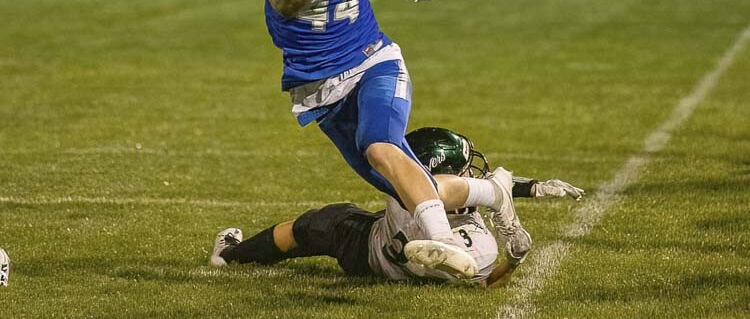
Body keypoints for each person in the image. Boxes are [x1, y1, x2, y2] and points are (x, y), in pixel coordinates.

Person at [235, 0, 495, 278]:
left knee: (380, 141)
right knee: (392, 185)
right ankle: (497, 192)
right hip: (317, 81)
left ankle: (444, 242)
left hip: (373, 56)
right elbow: (285, 2)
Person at [209, 127, 584, 287]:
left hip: (369, 245)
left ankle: (230, 255)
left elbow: (442, 188)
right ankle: (232, 255)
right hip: (413, 255)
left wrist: (506, 190)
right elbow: (484, 280)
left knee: (309, 227)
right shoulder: (480, 241)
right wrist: (513, 260)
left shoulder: (405, 187)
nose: (473, 172)